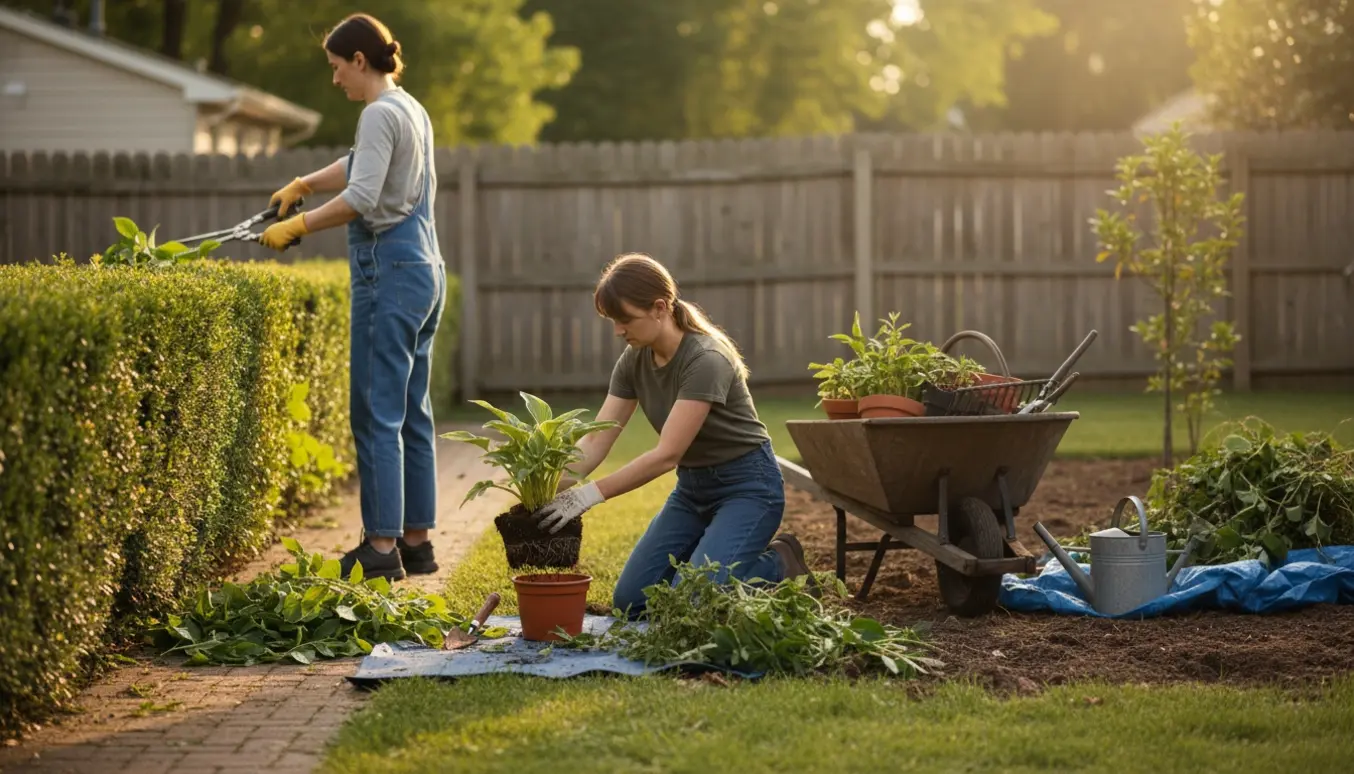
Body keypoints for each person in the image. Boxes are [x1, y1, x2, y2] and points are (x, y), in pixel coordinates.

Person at [259, 13, 445, 582]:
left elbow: (363, 195)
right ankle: (417, 542)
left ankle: (381, 549)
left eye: (338, 68)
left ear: (360, 61)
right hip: (425, 270)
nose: (336, 79)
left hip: (387, 273)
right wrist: (305, 184)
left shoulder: (376, 114)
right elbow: (361, 166)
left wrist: (299, 227)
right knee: (413, 411)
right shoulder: (408, 108)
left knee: (375, 413)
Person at [533, 253, 815, 617]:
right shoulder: (634, 359)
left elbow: (667, 454)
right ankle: (721, 566)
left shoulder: (706, 359)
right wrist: (547, 490)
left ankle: (779, 563)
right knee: (631, 603)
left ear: (660, 308)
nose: (618, 331)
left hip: (748, 488)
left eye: (625, 319)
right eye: (613, 321)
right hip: (692, 491)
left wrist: (588, 495)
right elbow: (596, 439)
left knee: (690, 601)